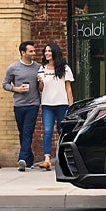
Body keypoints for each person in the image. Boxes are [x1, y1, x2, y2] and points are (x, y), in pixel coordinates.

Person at [2, 41, 40, 171]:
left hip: (33, 104)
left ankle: (22, 159)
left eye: (34, 51)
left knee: (27, 132)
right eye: (31, 51)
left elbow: (41, 87)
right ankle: (29, 160)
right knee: (22, 133)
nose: (34, 53)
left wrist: (41, 82)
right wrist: (16, 89)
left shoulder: (38, 68)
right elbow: (5, 84)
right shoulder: (13, 68)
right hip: (18, 105)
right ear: (23, 53)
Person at [37, 42, 74, 171]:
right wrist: (40, 82)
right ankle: (47, 159)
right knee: (47, 131)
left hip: (62, 104)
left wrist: (71, 105)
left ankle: (63, 158)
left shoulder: (65, 68)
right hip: (47, 104)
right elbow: (41, 89)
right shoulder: (42, 68)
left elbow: (68, 88)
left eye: (49, 51)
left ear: (55, 52)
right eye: (45, 51)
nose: (46, 53)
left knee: (62, 131)